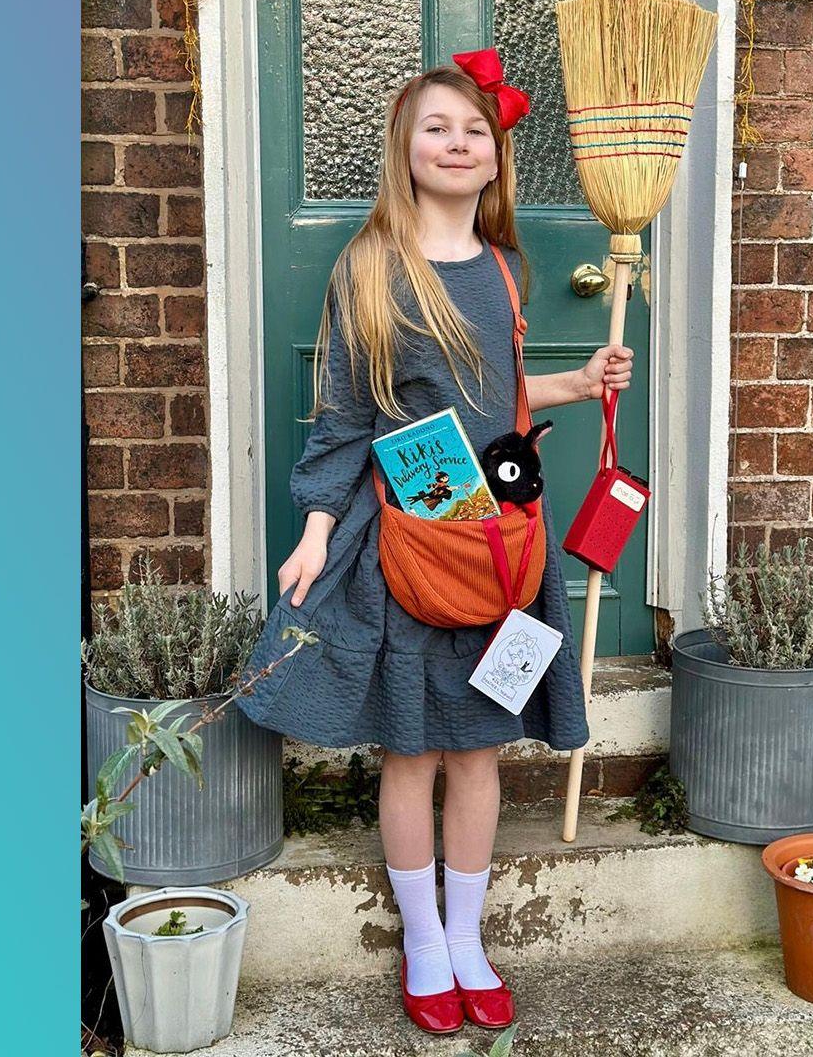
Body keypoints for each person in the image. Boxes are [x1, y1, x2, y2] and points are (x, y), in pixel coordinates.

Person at [235, 50, 633, 1037]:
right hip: (413, 539)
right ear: (405, 153)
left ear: (496, 159)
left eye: (474, 131)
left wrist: (578, 384)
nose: (458, 144)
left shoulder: (505, 268)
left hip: (499, 541)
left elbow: (496, 401)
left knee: (483, 752)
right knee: (413, 754)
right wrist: (317, 530)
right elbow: (343, 417)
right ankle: (422, 941)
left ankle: (469, 938)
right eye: (436, 128)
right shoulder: (369, 269)